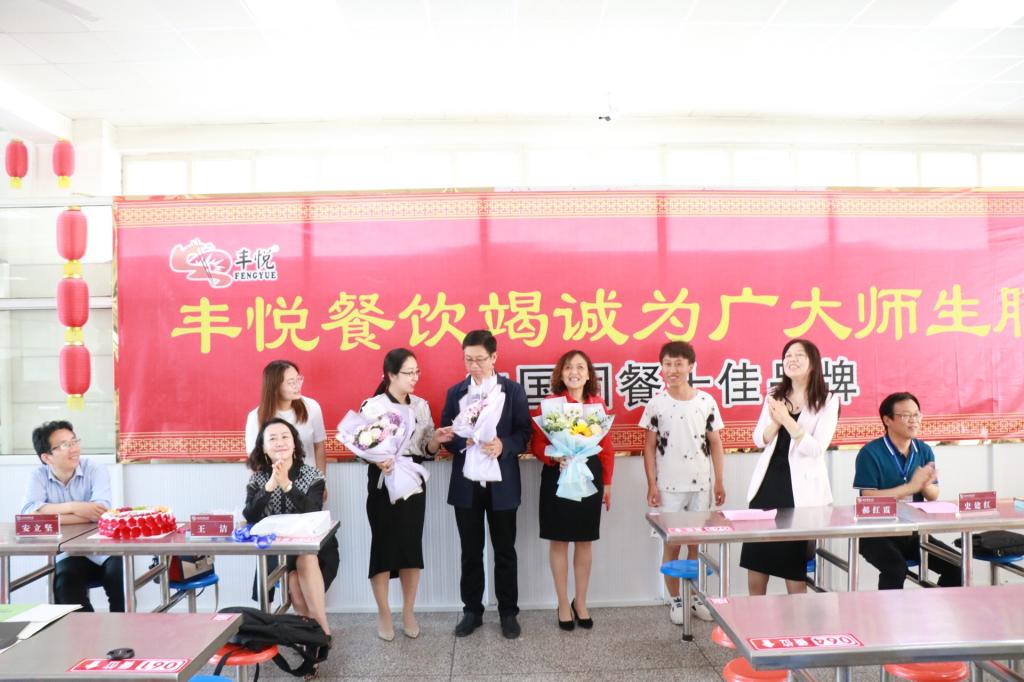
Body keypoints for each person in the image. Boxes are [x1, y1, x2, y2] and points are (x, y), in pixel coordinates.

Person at [440, 329, 532, 639]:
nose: (474, 366)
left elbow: (524, 433)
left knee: (505, 550)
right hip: (467, 484)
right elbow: (446, 435)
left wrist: (504, 445)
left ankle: (508, 612)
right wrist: (460, 441)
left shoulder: (512, 391)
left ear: (494, 357)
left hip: (502, 484)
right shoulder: (456, 392)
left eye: (480, 359)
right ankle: (472, 611)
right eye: (468, 359)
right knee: (470, 551)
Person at [361, 348, 454, 641]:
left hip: (412, 479)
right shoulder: (373, 406)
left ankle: (408, 611)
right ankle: (384, 612)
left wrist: (436, 441)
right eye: (408, 373)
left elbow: (426, 449)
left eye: (417, 372)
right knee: (383, 547)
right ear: (391, 375)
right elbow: (363, 446)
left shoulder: (421, 405)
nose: (414, 378)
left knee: (411, 547)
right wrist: (378, 459)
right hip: (383, 480)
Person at [740, 338, 839, 596]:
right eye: (787, 356)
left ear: (813, 363)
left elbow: (816, 449)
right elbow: (758, 439)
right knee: (757, 558)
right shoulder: (775, 395)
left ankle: (798, 617)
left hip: (800, 492)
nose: (791, 360)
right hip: (768, 484)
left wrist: (787, 420)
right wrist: (775, 422)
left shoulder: (827, 400)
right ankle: (755, 613)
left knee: (792, 565)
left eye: (798, 355)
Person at [640, 341, 725, 624]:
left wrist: (719, 481)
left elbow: (716, 443)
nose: (672, 369)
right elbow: (648, 447)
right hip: (668, 488)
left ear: (691, 366)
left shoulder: (706, 401)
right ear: (661, 367)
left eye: (678, 363)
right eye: (667, 364)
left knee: (697, 545)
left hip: (701, 485)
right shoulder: (657, 403)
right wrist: (652, 484)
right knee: (671, 544)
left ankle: (696, 596)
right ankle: (675, 599)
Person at [530, 350, 614, 631]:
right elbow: (536, 445)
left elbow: (607, 449)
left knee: (584, 540)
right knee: (559, 540)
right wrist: (554, 456)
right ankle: (563, 603)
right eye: (568, 367)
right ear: (560, 373)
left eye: (580, 367)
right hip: (558, 475)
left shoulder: (598, 406)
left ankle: (582, 602)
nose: (574, 372)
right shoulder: (549, 405)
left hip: (589, 476)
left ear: (589, 374)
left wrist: (608, 483)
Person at [243, 418, 339, 643]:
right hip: (279, 554)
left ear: (294, 444)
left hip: (318, 550)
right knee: (294, 581)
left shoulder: (313, 475)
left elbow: (313, 510)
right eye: (272, 438)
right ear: (264, 448)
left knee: (304, 561)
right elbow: (250, 516)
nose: (280, 442)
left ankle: (316, 635)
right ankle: (319, 635)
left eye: (285, 437)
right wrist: (269, 486)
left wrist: (287, 484)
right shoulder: (257, 479)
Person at [854, 392, 961, 590]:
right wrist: (910, 487)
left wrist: (924, 483)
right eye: (906, 415)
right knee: (896, 569)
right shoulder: (870, 452)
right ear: (887, 420)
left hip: (913, 532)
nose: (914, 420)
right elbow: (867, 498)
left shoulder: (923, 450)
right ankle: (886, 611)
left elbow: (933, 495)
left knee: (957, 565)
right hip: (876, 533)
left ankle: (935, 607)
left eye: (916, 414)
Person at [22, 420, 124, 612]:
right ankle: (86, 630)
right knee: (65, 584)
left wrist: (49, 513)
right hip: (69, 553)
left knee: (120, 578)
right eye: (64, 445)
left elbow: (101, 512)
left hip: (104, 549)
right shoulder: (38, 476)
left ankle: (123, 627)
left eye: (74, 441)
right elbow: (29, 514)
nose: (74, 448)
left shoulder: (95, 469)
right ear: (47, 457)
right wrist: (74, 506)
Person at [245, 360, 327, 491]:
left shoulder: (312, 407)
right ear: (275, 387)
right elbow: (254, 461)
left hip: (308, 487)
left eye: (298, 379)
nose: (297, 386)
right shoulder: (255, 417)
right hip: (273, 488)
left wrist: (321, 482)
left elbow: (319, 447)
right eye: (291, 382)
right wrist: (258, 492)